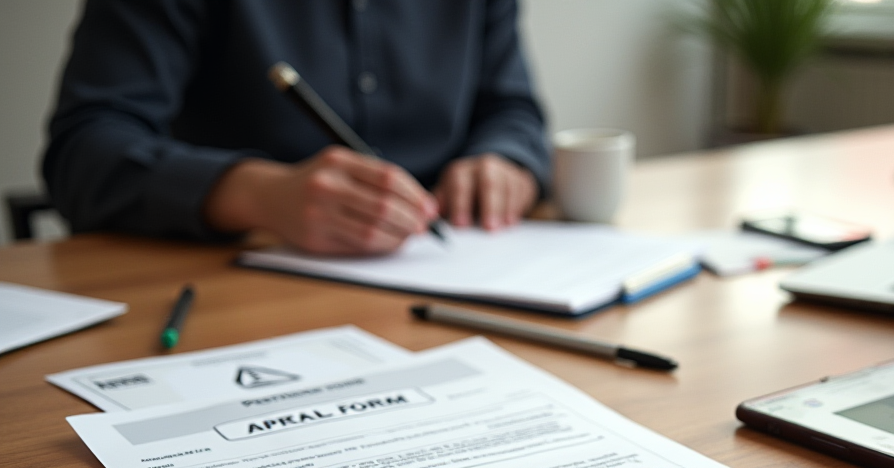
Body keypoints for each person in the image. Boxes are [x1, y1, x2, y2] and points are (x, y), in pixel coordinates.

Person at [44, 0, 549, 255]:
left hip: (451, 270)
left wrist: (505, 160)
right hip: (238, 293)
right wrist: (256, 194)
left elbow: (513, 110)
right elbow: (83, 150)